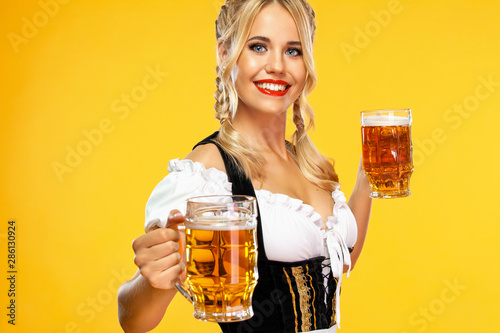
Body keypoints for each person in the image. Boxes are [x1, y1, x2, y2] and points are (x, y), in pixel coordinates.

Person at [118, 0, 372, 332]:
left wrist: (366, 180)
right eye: (258, 47)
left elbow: (338, 261)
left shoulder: (305, 161)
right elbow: (133, 320)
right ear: (224, 53)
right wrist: (154, 281)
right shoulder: (207, 176)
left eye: (293, 51)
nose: (277, 66)